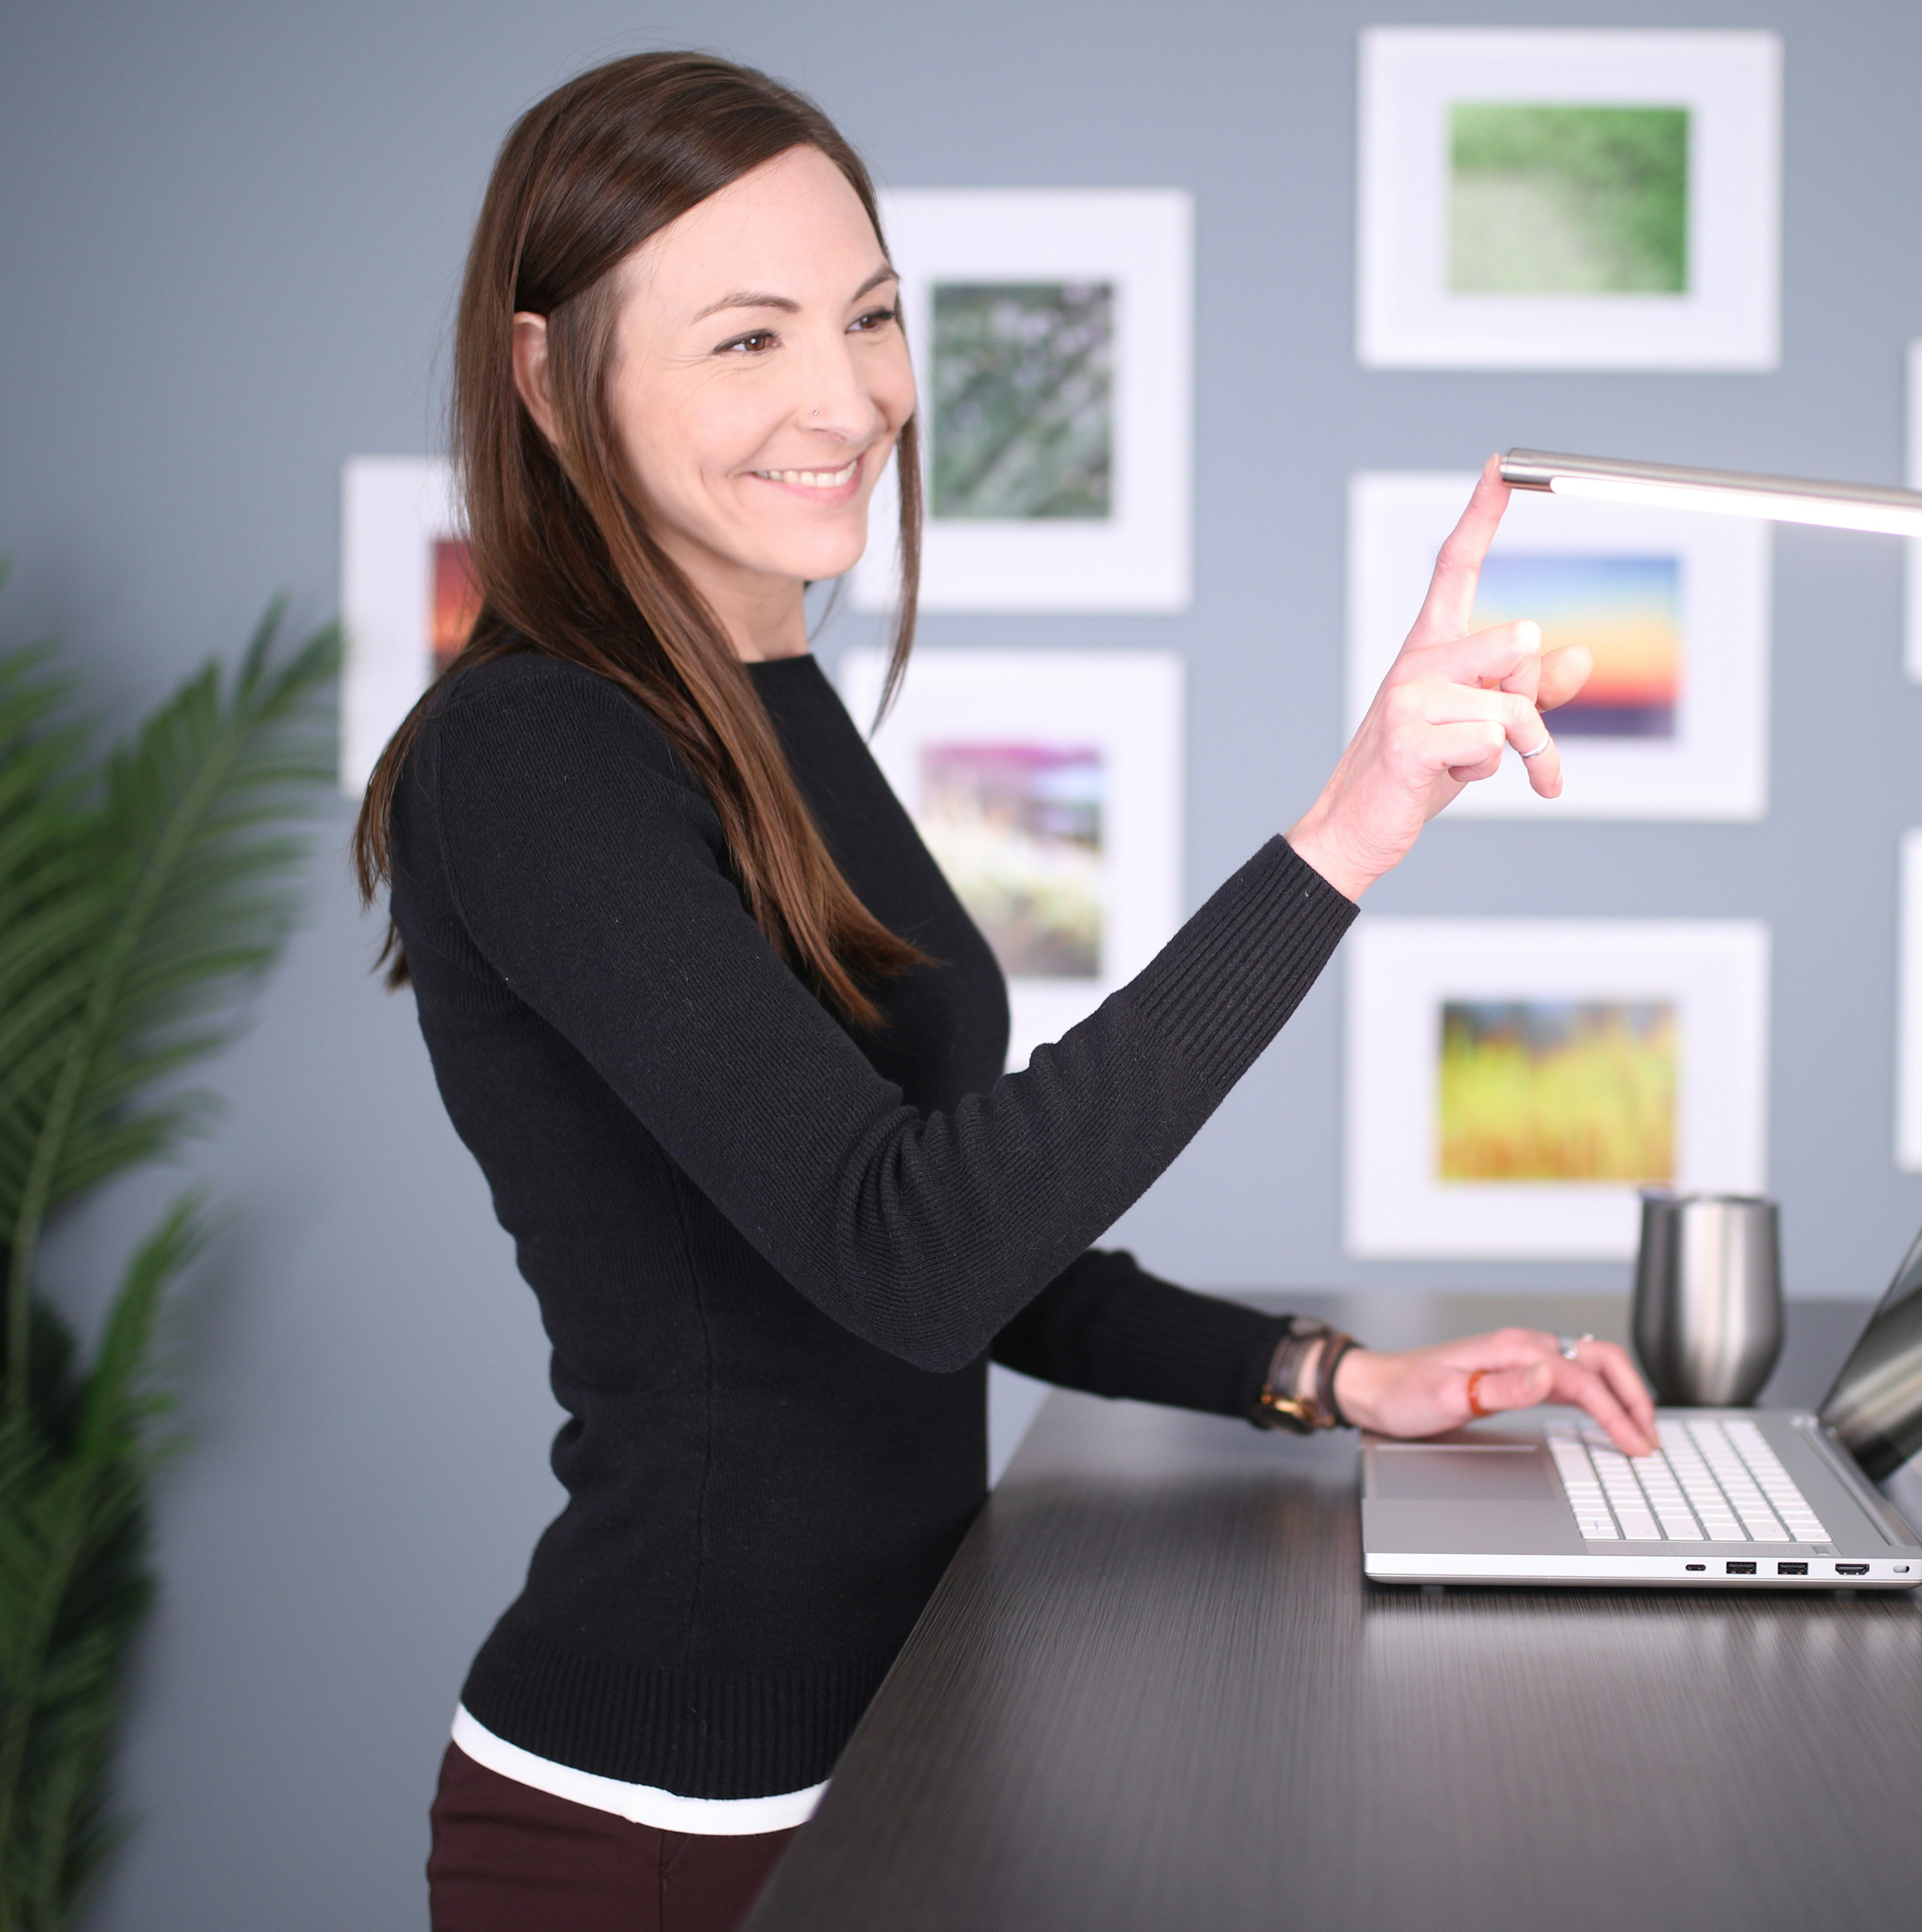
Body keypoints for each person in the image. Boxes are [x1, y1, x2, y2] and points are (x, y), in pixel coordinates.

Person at [354, 50, 1662, 1932]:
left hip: (884, 1745)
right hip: (667, 1822)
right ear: (550, 378)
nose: (849, 397)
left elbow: (900, 1229)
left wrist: (1319, 1376)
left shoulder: (762, 700)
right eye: (747, 341)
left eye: (871, 318)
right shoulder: (541, 754)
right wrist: (1352, 829)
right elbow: (911, 1252)